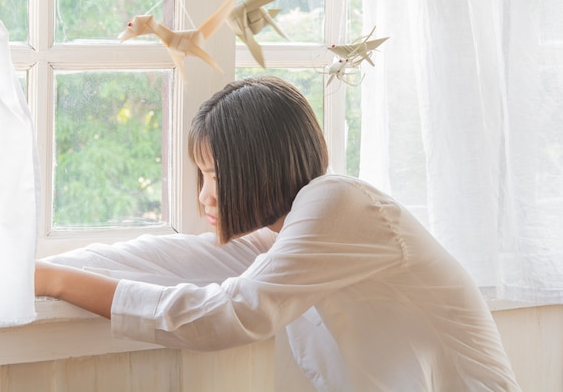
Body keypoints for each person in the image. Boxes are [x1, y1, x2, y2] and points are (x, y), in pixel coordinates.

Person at [35, 76, 521, 391]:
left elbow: (229, 315)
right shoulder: (286, 238)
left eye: (217, 175)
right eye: (200, 175)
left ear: (260, 165)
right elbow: (163, 260)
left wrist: (56, 283)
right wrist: (32, 272)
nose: (204, 195)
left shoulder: (337, 203)